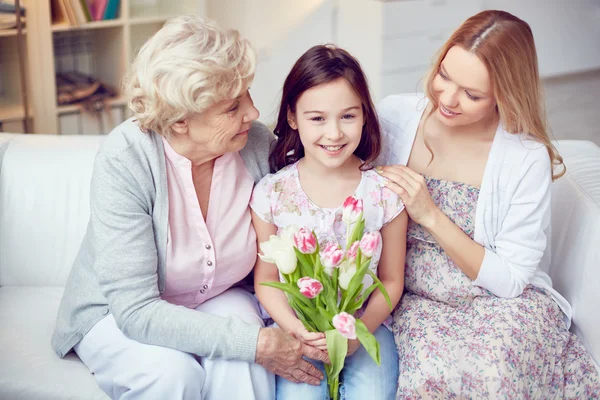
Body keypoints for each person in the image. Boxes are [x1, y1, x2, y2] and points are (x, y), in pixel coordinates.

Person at [51, 15, 328, 400]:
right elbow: (136, 311)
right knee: (172, 374)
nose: (251, 111)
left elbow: (315, 187)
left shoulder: (254, 143)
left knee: (244, 367)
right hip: (119, 312)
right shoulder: (126, 157)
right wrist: (257, 342)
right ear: (180, 120)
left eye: (247, 94)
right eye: (232, 107)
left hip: (218, 295)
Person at [375, 10, 600, 398]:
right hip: (418, 299)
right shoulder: (394, 115)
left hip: (498, 298)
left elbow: (512, 280)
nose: (447, 98)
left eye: (472, 94)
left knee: (495, 373)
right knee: (432, 377)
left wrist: (429, 214)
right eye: (444, 75)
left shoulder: (525, 157)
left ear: (505, 94)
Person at [250, 44, 407, 400]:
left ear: (365, 115)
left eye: (348, 116)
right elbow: (266, 281)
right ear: (293, 118)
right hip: (298, 331)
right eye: (317, 118)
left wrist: (358, 330)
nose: (334, 134)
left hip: (368, 327)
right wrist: (296, 330)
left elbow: (392, 279)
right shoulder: (272, 193)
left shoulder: (384, 193)